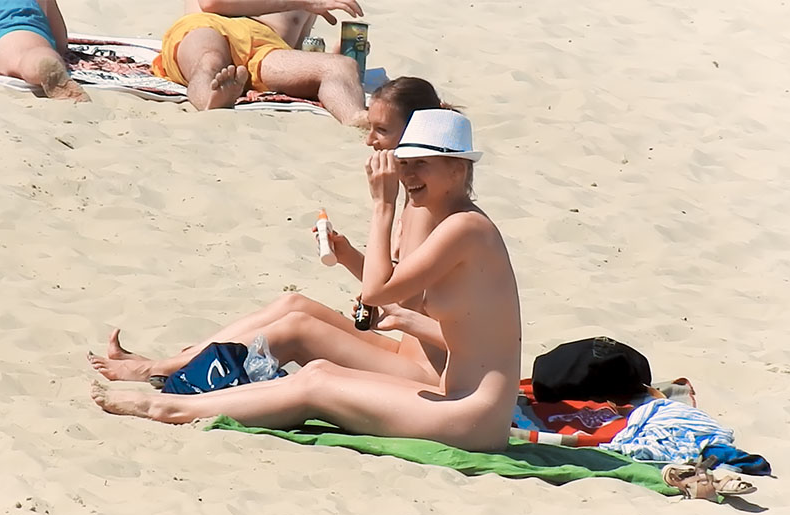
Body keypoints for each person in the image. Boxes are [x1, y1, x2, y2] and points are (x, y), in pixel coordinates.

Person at [90, 109, 522, 452]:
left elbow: (379, 291)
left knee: (316, 382)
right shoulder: (455, 223)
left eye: (420, 165)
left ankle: (167, 406)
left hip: (473, 417)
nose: (407, 175)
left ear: (458, 171)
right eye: (403, 163)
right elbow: (454, 325)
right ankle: (176, 384)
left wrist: (381, 207)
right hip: (460, 399)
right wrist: (392, 304)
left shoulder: (465, 229)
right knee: (316, 367)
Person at [88, 77, 448, 389]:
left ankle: (163, 370)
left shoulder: (424, 211)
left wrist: (380, 206)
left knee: (298, 329)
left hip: (427, 372)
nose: (370, 141)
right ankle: (172, 363)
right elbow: (396, 286)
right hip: (407, 351)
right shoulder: (415, 201)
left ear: (416, 135)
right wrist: (349, 255)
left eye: (381, 131)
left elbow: (394, 300)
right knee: (293, 304)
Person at [152, 0, 367, 125]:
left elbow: (296, 41)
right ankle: (209, 98)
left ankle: (356, 117)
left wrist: (335, 54)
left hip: (266, 47)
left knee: (341, 66)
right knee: (209, 59)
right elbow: (212, 3)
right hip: (210, 25)